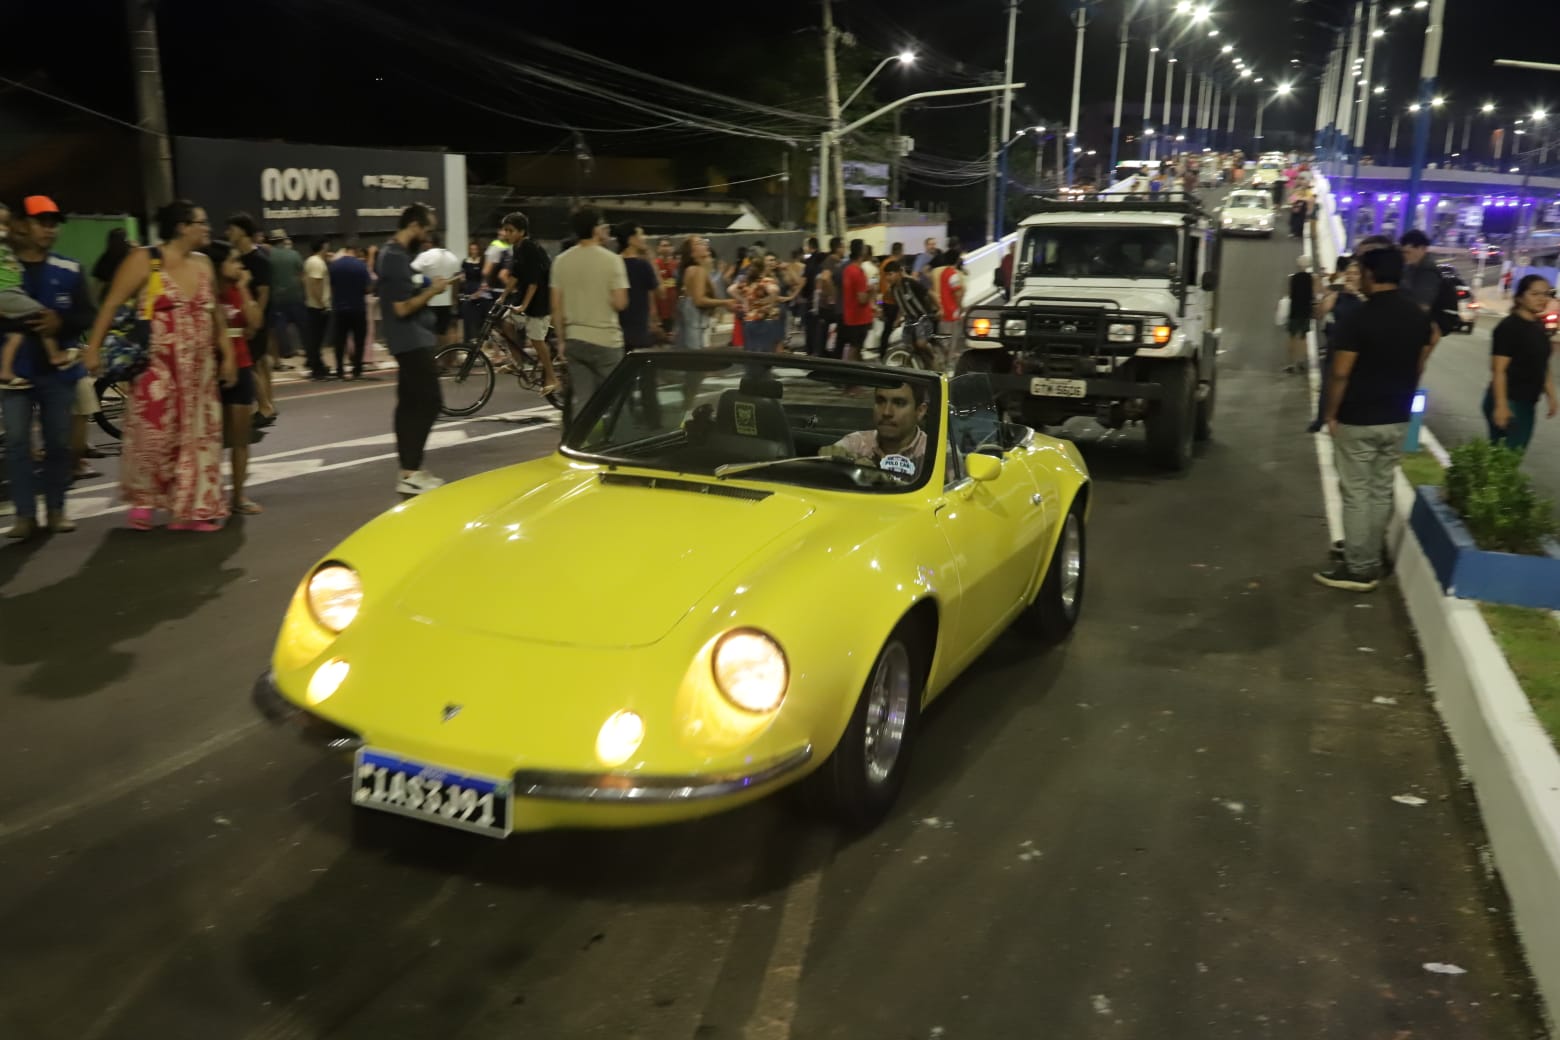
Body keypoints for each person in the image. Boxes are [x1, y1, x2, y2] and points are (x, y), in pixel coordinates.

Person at [86, 199, 236, 532]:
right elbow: (111, 303)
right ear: (182, 226)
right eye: (201, 222)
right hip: (157, 367)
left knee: (199, 438)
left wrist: (226, 353)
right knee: (153, 434)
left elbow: (214, 313)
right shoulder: (145, 259)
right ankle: (144, 499)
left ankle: (192, 509)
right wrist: (93, 349)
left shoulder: (203, 264)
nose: (207, 228)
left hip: (199, 370)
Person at [1316, 246, 1439, 592]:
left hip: (1360, 416)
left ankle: (1359, 568)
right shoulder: (1417, 315)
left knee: (1356, 492)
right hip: (1397, 416)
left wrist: (1331, 413)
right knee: (1380, 489)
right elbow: (1426, 350)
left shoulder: (1359, 317)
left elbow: (1341, 373)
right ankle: (1367, 553)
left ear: (1370, 275)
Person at [2, 196, 94, 538]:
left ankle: (56, 509)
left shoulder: (69, 269)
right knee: (16, 444)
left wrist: (61, 323)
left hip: (58, 375)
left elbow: (87, 314)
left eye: (53, 223)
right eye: (42, 221)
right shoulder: (5, 268)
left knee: (58, 443)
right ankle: (24, 515)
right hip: (15, 374)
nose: (49, 229)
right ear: (23, 224)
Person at [377, 204, 455, 495]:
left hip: (412, 338)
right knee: (429, 402)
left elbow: (408, 289)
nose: (427, 237)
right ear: (413, 225)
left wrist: (429, 284)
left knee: (409, 403)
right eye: (426, 229)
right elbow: (401, 308)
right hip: (410, 340)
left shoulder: (398, 256)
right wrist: (432, 292)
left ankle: (410, 470)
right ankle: (410, 470)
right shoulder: (394, 258)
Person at [550, 206, 629, 422]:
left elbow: (556, 306)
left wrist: (561, 341)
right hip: (606, 340)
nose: (605, 229)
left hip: (575, 339)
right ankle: (616, 448)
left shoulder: (561, 261)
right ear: (595, 229)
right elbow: (621, 303)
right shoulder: (612, 260)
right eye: (602, 224)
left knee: (582, 400)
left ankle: (579, 445)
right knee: (615, 398)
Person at [204, 240, 263, 515]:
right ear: (218, 266)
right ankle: (209, 497)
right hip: (208, 371)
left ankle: (238, 496)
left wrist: (242, 287)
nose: (240, 266)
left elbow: (255, 323)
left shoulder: (237, 290)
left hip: (241, 366)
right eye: (234, 261)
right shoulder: (204, 292)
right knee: (209, 439)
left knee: (240, 438)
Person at [1484, 274, 1559, 452]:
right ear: (1520, 296)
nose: (1542, 299)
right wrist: (1501, 406)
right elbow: (1498, 370)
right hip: (1509, 401)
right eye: (1535, 294)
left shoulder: (1538, 326)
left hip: (1526, 402)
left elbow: (1542, 364)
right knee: (1506, 458)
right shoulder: (1509, 327)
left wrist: (1551, 395)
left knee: (1508, 457)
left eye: (1546, 294)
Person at [497, 212, 558, 393]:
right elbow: (515, 275)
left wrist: (524, 306)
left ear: (521, 231)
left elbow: (534, 281)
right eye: (505, 230)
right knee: (507, 323)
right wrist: (503, 295)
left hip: (540, 300)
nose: (506, 234)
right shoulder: (518, 247)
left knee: (536, 340)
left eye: (510, 230)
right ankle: (517, 363)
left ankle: (553, 378)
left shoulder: (530, 247)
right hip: (526, 297)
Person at [225, 214, 276, 424]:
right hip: (242, 315)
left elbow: (264, 292)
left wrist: (257, 321)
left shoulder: (259, 259)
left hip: (255, 316)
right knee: (260, 362)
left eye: (232, 229)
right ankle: (268, 405)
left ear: (243, 232)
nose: (228, 233)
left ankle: (265, 408)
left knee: (251, 363)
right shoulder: (237, 258)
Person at [820, 380, 929, 476]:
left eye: (899, 403)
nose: (886, 412)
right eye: (880, 401)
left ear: (920, 411)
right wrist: (827, 461)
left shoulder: (936, 452)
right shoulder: (855, 443)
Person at [1309, 256, 1364, 434]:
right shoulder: (1337, 295)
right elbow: (1318, 314)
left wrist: (1356, 294)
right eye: (1348, 273)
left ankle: (1343, 417)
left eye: (1355, 273)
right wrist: (1328, 296)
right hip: (1337, 344)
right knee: (1328, 382)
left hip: (1358, 349)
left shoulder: (1365, 298)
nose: (1351, 276)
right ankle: (1321, 419)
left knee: (1350, 385)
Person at [614, 222, 660, 352]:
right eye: (641, 234)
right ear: (631, 239)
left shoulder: (613, 262)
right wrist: (652, 260)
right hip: (639, 327)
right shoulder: (643, 265)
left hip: (616, 327)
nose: (644, 238)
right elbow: (660, 292)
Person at [328, 244, 371, 379]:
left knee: (340, 341)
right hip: (358, 308)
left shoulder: (334, 266)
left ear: (345, 251)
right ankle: (357, 370)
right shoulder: (361, 266)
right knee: (359, 340)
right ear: (356, 251)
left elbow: (330, 285)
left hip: (340, 308)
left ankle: (340, 369)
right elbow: (368, 288)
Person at [412, 232, 462, 347]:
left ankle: (432, 360)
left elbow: (412, 273)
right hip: (446, 302)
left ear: (430, 243)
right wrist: (454, 299)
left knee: (427, 333)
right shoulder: (452, 257)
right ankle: (443, 359)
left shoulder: (424, 256)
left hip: (427, 300)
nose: (423, 245)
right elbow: (457, 279)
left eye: (425, 242)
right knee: (442, 332)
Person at [266, 230, 307, 366]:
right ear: (284, 240)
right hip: (295, 295)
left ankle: (285, 351)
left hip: (277, 298)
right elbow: (302, 275)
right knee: (303, 325)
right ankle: (308, 349)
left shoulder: (268, 256)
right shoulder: (294, 254)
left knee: (280, 326)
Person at [838, 239, 874, 362]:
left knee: (855, 348)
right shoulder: (858, 272)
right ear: (861, 251)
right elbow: (862, 299)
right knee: (855, 348)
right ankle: (849, 375)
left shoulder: (848, 269)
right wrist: (871, 290)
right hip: (859, 317)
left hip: (850, 315)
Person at [302, 239, 332, 380]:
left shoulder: (310, 261)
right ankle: (317, 368)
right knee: (316, 339)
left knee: (314, 338)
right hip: (318, 306)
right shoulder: (317, 263)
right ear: (323, 245)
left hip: (311, 304)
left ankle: (317, 365)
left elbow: (303, 280)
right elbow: (316, 284)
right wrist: (322, 303)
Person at [1283, 255, 1316, 374]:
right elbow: (1314, 295)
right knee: (1303, 337)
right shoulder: (1312, 278)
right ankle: (1301, 362)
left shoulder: (1293, 278)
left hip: (1294, 311)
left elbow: (1290, 294)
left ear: (1298, 264)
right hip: (1306, 311)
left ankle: (1291, 363)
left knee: (1292, 338)